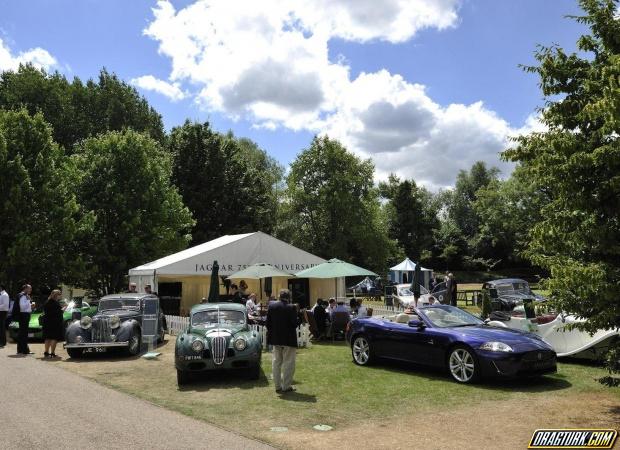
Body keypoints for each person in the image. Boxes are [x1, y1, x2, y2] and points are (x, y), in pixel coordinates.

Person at [266, 289, 299, 393]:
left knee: (276, 362)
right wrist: (300, 316)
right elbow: (294, 324)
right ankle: (286, 386)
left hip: (276, 338)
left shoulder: (272, 306)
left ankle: (277, 386)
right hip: (289, 339)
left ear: (279, 296)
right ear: (289, 297)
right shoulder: (292, 307)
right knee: (288, 363)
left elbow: (268, 323)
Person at [42, 289, 64, 358]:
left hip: (47, 322)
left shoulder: (47, 302)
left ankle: (46, 352)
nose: (60, 296)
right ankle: (52, 353)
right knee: (54, 338)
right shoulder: (55, 303)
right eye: (59, 294)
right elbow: (58, 312)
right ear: (56, 295)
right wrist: (64, 308)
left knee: (47, 338)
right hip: (54, 323)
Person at [16, 284, 33, 355]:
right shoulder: (23, 296)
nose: (31, 290)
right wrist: (29, 303)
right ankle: (24, 350)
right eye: (30, 288)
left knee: (21, 333)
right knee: (24, 333)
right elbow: (22, 307)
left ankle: (20, 349)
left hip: (24, 315)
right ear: (25, 289)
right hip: (24, 315)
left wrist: (31, 306)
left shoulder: (24, 295)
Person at [0, 284, 9, 348]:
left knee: (1, 327)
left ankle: (2, 342)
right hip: (1, 311)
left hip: (2, 312)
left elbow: (5, 305)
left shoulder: (5, 295)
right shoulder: (1, 294)